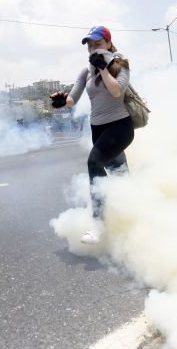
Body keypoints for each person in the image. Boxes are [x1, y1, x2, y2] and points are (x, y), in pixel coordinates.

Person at [50, 26, 134, 245]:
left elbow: (117, 91)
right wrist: (62, 101)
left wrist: (104, 70)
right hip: (98, 129)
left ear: (107, 43)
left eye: (97, 43)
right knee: (122, 177)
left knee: (94, 163)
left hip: (120, 127)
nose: (92, 48)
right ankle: (137, 214)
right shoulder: (86, 71)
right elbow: (73, 97)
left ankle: (98, 225)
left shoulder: (120, 64)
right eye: (89, 45)